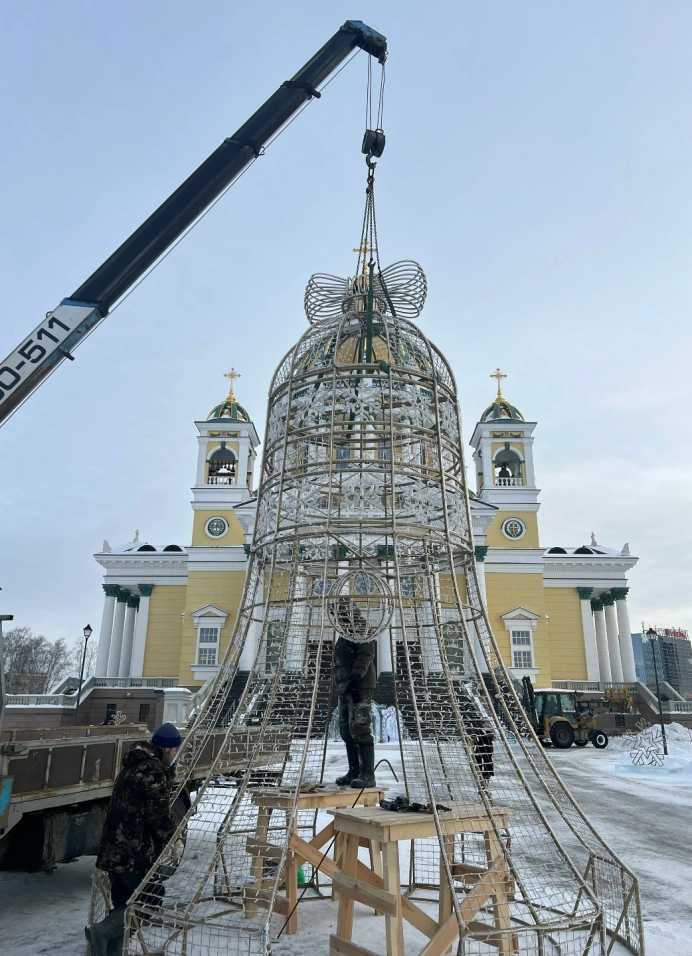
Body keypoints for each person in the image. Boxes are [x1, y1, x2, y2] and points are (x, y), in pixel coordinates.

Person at [85, 722, 181, 956]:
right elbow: (157, 815)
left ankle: (109, 952)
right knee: (149, 898)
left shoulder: (132, 766)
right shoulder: (153, 771)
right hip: (133, 854)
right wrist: (175, 835)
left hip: (113, 850)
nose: (175, 755)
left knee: (124, 904)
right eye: (175, 750)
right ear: (170, 749)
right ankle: (101, 931)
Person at [333, 598, 377, 788]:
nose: (337, 618)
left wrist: (355, 678)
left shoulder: (360, 628)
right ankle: (354, 770)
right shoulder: (345, 631)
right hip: (344, 686)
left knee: (360, 728)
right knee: (346, 729)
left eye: (339, 614)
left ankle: (367, 774)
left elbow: (366, 654)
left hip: (358, 686)